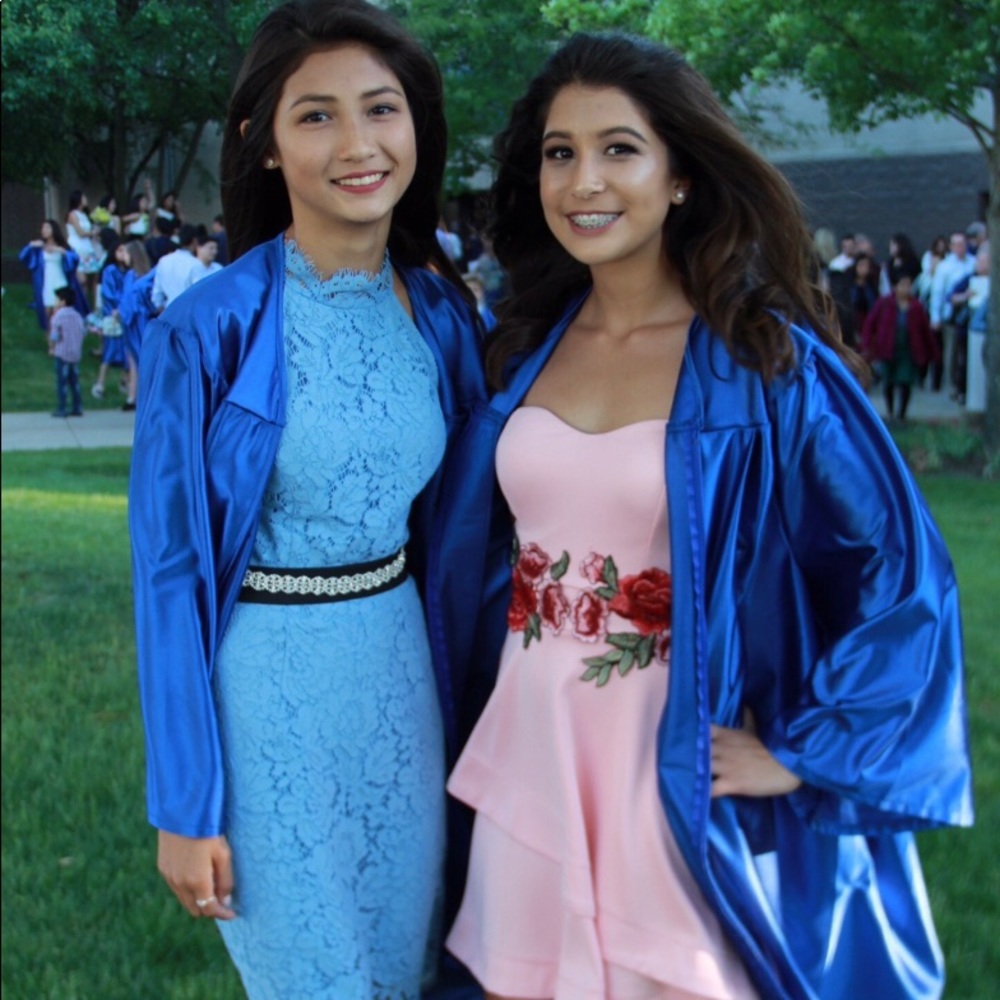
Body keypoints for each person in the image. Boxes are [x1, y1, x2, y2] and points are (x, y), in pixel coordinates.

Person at [434, 33, 973, 1000]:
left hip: (670, 761)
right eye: (560, 152)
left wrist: (802, 753)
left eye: (619, 148)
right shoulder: (518, 348)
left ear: (680, 175)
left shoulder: (767, 364)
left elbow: (900, 575)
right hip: (535, 745)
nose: (583, 179)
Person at [128, 1, 485, 997]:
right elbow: (169, 573)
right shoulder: (210, 330)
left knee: (408, 961)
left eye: (381, 109)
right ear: (266, 145)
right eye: (317, 116)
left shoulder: (443, 311)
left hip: (402, 674)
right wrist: (185, 801)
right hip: (267, 691)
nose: (359, 143)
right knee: (313, 974)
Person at [861, 262, 938, 421]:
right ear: (895, 287)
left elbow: (924, 331)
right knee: (888, 381)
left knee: (905, 381)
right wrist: (867, 344)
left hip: (908, 348)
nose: (906, 288)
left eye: (909, 285)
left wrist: (932, 352)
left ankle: (901, 414)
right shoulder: (885, 303)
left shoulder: (916, 306)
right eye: (903, 285)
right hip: (888, 347)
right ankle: (890, 412)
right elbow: (871, 323)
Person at [19, 219, 89, 334]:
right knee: (47, 313)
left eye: (47, 228)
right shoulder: (39, 247)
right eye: (43, 228)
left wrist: (61, 251)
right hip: (45, 282)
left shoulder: (62, 246)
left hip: (60, 281)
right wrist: (30, 246)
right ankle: (51, 344)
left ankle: (63, 340)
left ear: (53, 230)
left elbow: (75, 259)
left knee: (60, 312)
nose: (44, 230)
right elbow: (23, 257)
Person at [48, 286, 87, 417]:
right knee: (74, 382)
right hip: (75, 353)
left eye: (57, 299)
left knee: (62, 382)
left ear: (63, 301)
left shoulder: (57, 316)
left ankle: (62, 408)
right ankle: (77, 407)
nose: (55, 302)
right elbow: (83, 332)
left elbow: (54, 335)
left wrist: (52, 347)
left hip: (62, 353)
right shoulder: (77, 315)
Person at [149, 222, 201, 310]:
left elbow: (156, 297)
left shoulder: (163, 261)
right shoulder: (195, 264)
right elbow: (199, 294)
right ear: (195, 241)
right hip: (189, 313)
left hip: (169, 313)